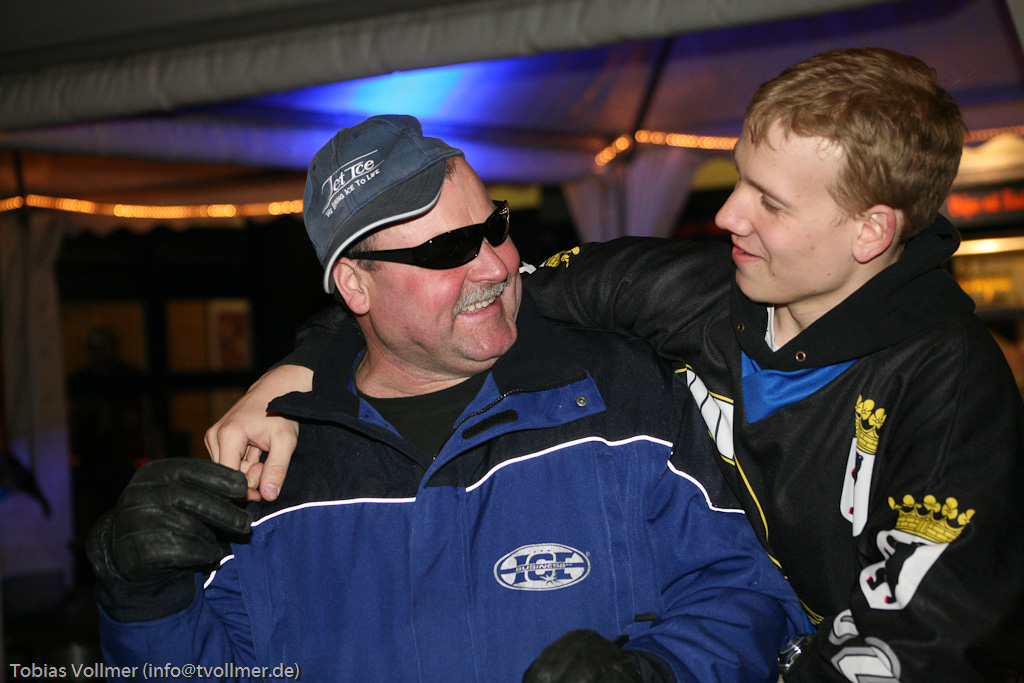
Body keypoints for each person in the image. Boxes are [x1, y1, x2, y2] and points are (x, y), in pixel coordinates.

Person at [209, 50, 1024, 682]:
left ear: (871, 232)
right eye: (741, 178)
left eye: (769, 201)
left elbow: (922, 647)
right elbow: (460, 300)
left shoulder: (951, 390)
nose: (727, 213)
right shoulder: (687, 290)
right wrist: (295, 375)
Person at [90, 115, 804, 682]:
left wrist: (659, 670)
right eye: (444, 251)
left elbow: (745, 591)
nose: (495, 265)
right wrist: (142, 598)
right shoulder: (272, 470)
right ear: (355, 286)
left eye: (494, 228)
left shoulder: (622, 395)